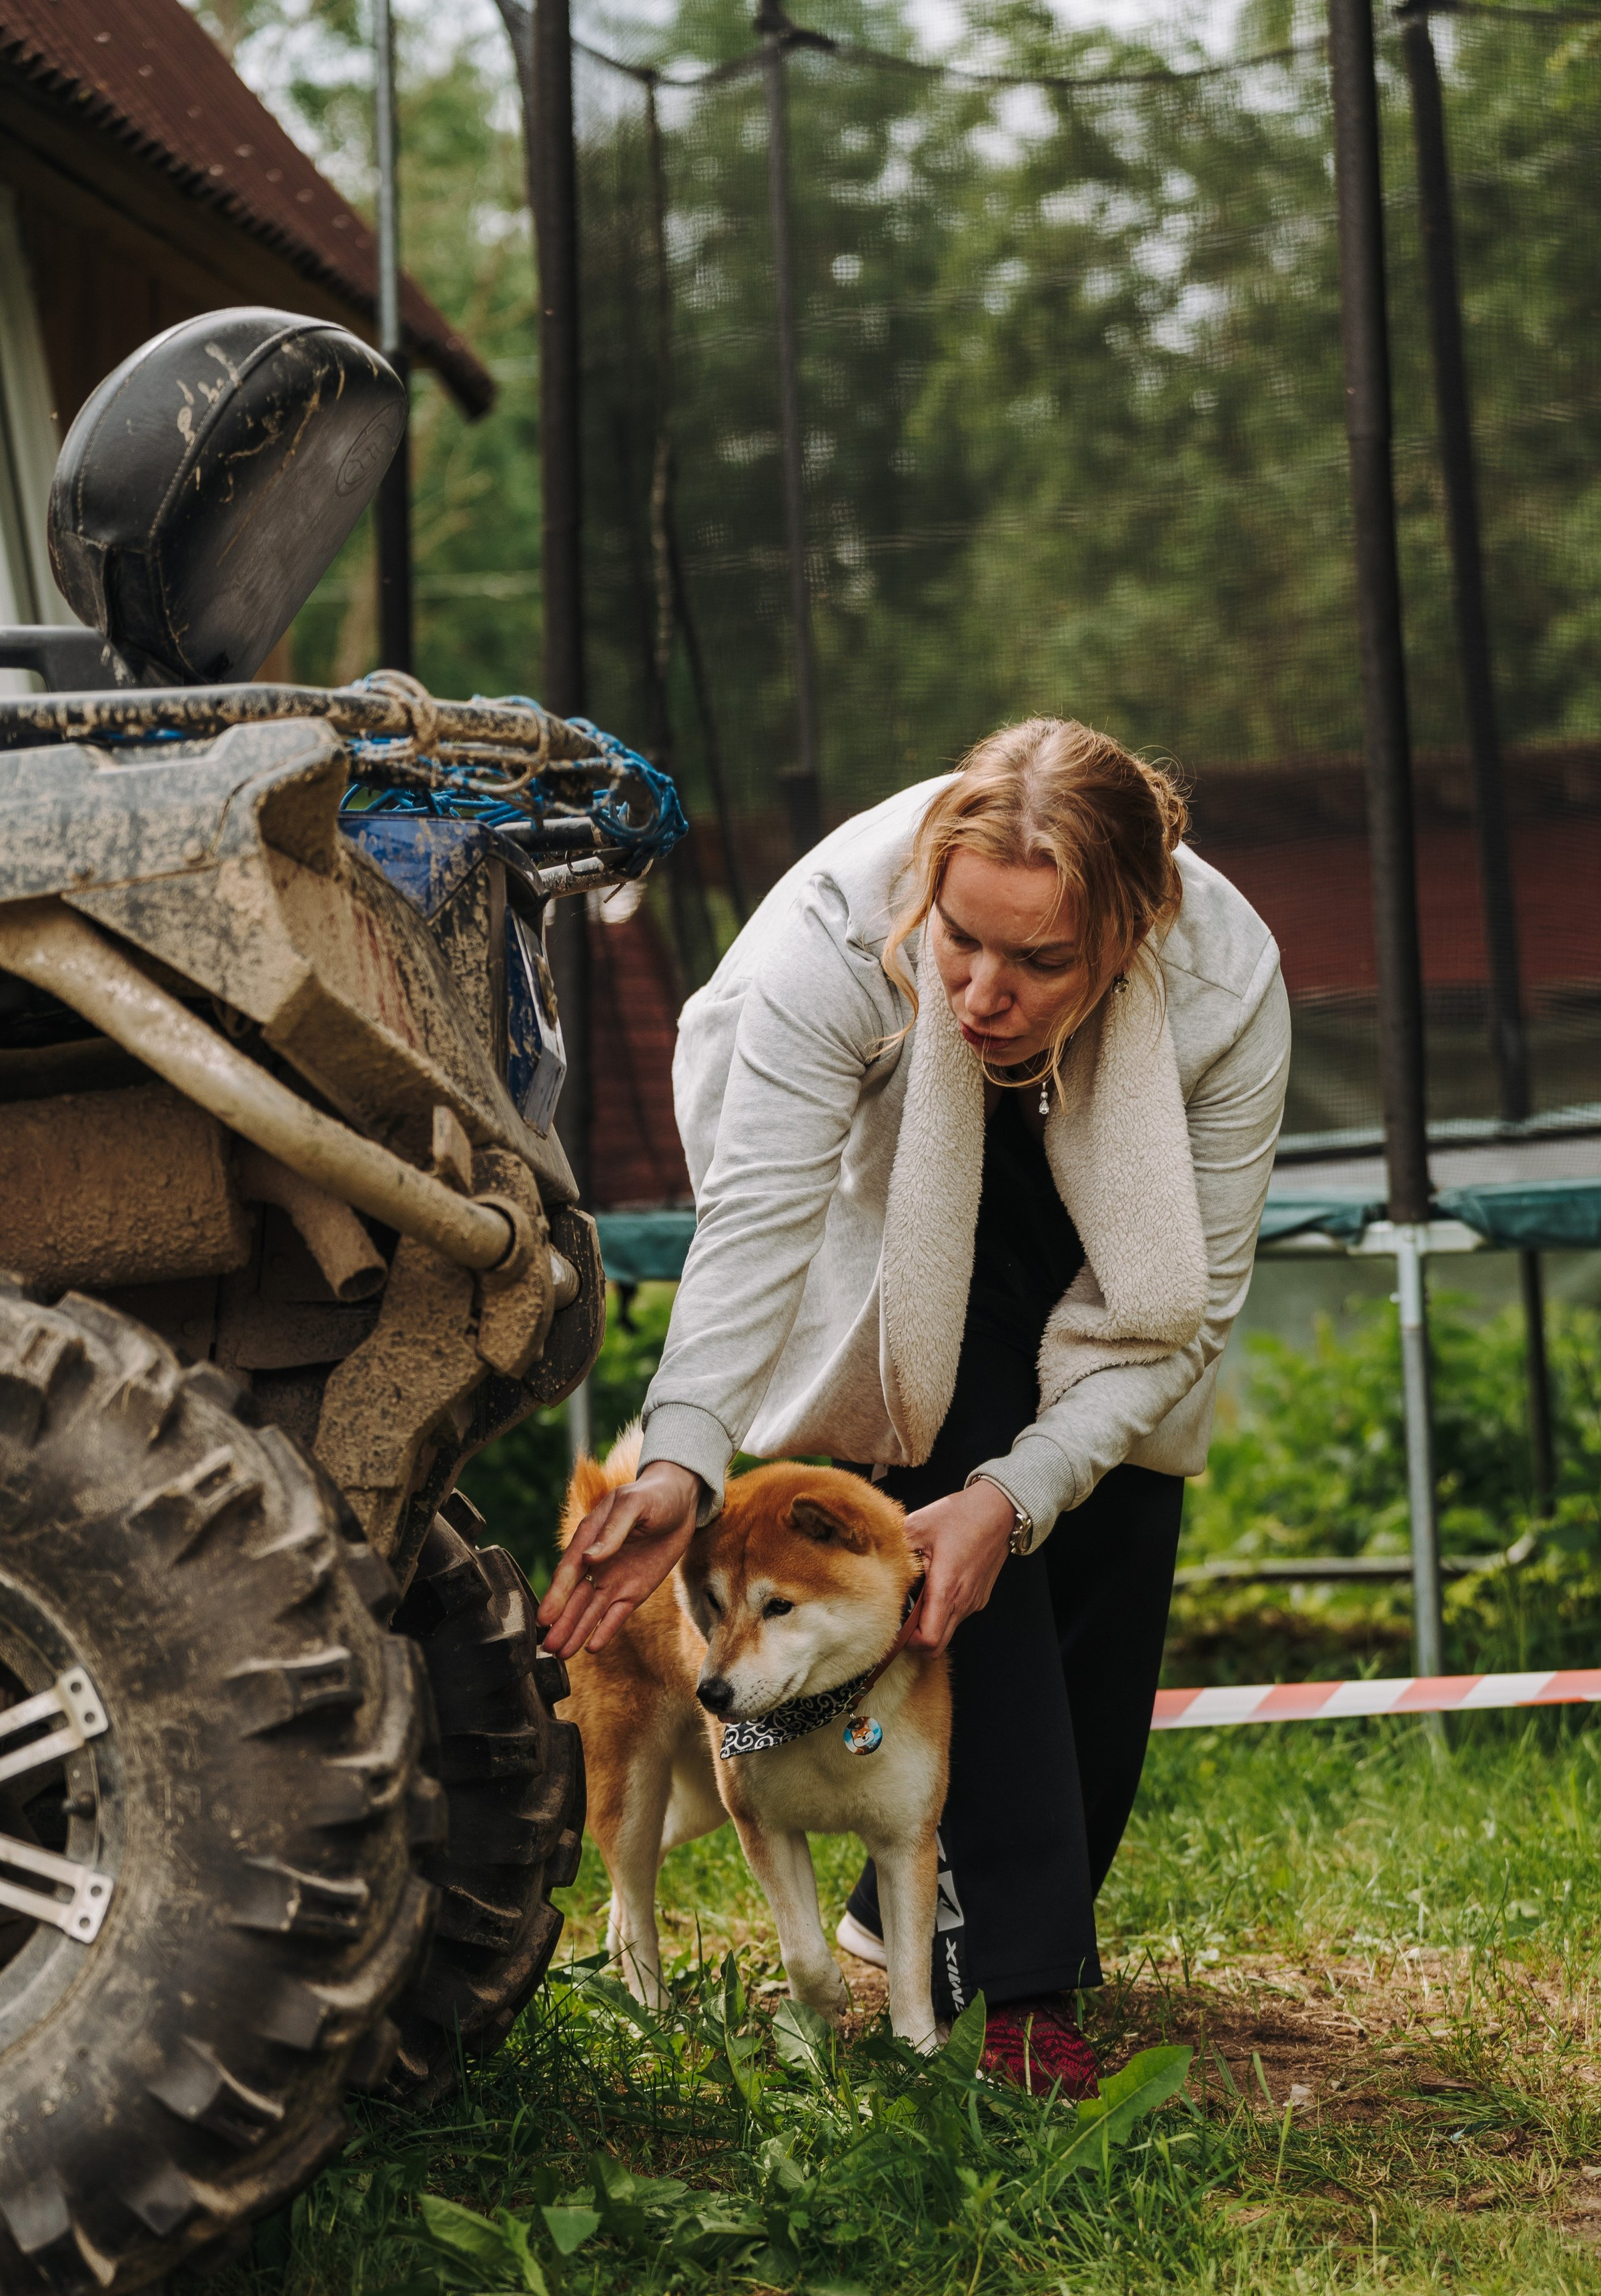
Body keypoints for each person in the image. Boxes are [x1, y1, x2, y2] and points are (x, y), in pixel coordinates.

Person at [540, 718, 1290, 2095]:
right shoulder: (835, 946)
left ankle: (953, 1911)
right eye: (963, 940)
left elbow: (1194, 1300)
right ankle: (1017, 1990)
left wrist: (1029, 1492)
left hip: (1111, 1212)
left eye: (1038, 958)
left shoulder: (1225, 981)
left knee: (1109, 1519)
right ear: (925, 898)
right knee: (942, 1460)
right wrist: (684, 1461)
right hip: (877, 1174)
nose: (984, 990)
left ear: (1128, 934)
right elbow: (759, 1222)